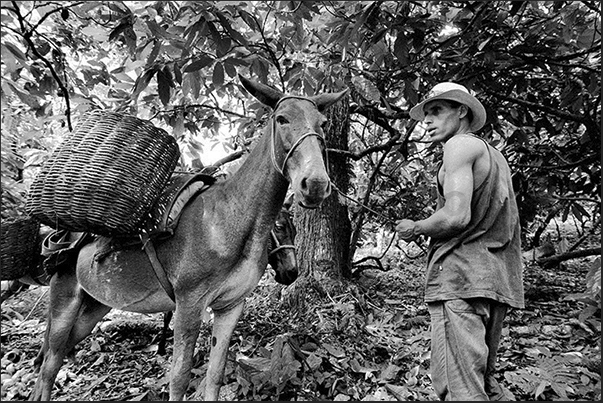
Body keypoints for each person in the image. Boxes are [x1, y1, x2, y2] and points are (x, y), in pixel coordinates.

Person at [396, 82, 524, 401]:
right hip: (495, 280)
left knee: (459, 389)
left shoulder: (458, 146)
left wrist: (417, 226)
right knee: (484, 384)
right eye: (426, 113)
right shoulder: (495, 156)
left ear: (462, 111)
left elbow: (456, 216)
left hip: (462, 280)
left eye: (436, 110)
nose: (426, 120)